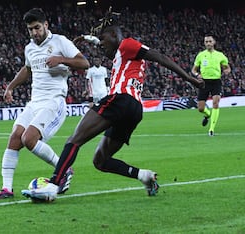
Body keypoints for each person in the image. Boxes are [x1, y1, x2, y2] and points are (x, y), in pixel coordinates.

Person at [22, 8, 204, 202]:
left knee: (74, 140)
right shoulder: (121, 55)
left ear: (114, 36)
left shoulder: (127, 44)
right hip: (134, 109)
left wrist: (189, 79)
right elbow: (107, 52)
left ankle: (53, 186)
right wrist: (87, 39)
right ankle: (145, 176)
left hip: (120, 99)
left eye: (103, 39)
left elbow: (160, 57)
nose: (101, 44)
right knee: (100, 160)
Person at [0, 8, 90, 200]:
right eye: (30, 29)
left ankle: (63, 169)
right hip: (35, 102)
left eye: (37, 28)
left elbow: (84, 63)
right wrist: (10, 87)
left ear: (45, 25)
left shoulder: (60, 42)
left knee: (29, 139)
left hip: (54, 101)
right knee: (15, 137)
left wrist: (61, 59)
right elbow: (27, 69)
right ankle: (6, 189)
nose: (34, 32)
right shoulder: (30, 48)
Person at [191, 35, 231, 136]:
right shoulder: (201, 55)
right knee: (200, 108)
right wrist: (197, 75)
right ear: (204, 43)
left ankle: (211, 129)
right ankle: (208, 114)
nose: (208, 43)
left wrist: (226, 71)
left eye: (210, 41)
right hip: (204, 82)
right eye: (206, 42)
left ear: (214, 42)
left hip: (216, 81)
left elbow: (227, 68)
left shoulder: (220, 55)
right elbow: (193, 70)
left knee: (215, 103)